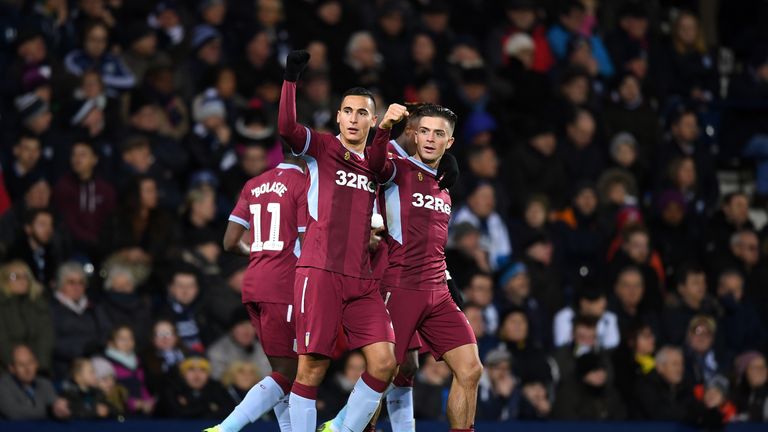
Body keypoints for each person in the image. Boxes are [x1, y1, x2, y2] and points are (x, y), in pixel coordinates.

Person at [277, 50, 398, 432]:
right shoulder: (323, 147)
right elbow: (286, 128)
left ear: (373, 120)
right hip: (320, 270)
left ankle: (341, 429)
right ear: (338, 116)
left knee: (384, 362)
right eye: (348, 110)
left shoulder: (380, 164)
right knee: (312, 366)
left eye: (363, 112)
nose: (354, 118)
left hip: (361, 279)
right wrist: (291, 80)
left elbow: (388, 170)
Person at [204, 149, 307, 432]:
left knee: (283, 372)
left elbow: (229, 242)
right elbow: (307, 242)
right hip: (283, 285)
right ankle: (226, 428)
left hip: (254, 283)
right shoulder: (304, 185)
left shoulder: (254, 183)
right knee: (290, 373)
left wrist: (258, 253)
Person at [0, 260, 54, 373]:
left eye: (26, 276)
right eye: (15, 277)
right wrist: (17, 366)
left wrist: (38, 365)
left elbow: (46, 337)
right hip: (8, 369)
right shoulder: (2, 306)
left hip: (38, 367)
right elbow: (2, 340)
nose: (22, 281)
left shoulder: (38, 304)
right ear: (4, 280)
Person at [0, 344, 69, 420]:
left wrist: (60, 409)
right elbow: (14, 413)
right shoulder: (3, 385)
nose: (27, 369)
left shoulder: (44, 384)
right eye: (21, 365)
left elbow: (55, 406)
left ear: (37, 364)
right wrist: (49, 411)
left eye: (30, 362)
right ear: (12, 368)